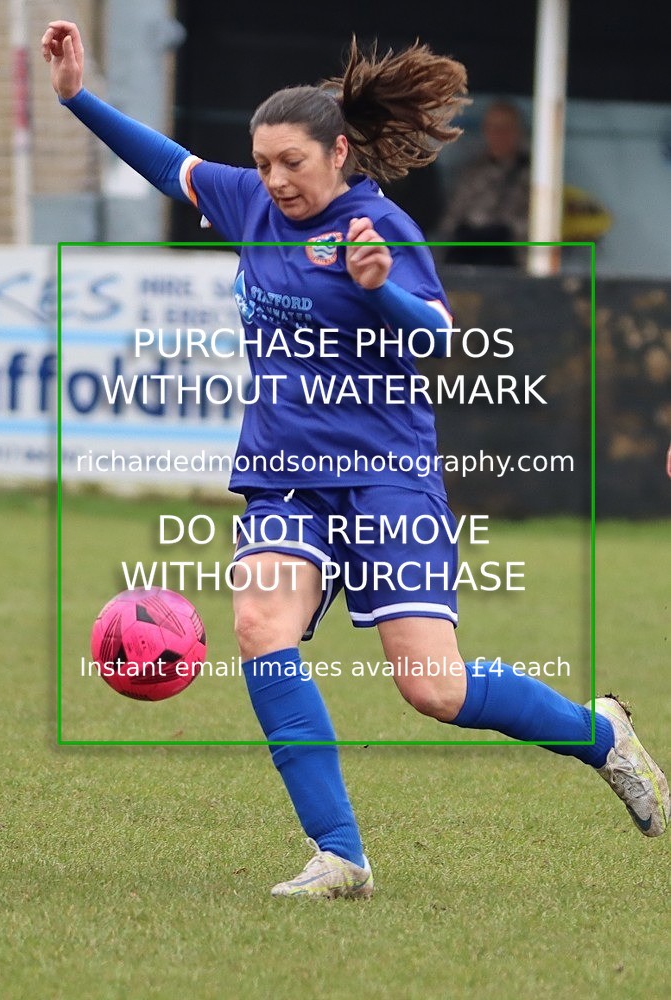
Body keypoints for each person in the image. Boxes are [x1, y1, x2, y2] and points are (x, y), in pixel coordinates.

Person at [42, 21, 669, 899]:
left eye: (290, 162)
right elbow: (170, 164)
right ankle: (339, 855)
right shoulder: (249, 203)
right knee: (261, 629)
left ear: (339, 152)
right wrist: (76, 98)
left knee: (433, 689)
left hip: (386, 476)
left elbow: (440, 338)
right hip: (285, 474)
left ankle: (598, 735)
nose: (272, 180)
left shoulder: (379, 227)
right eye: (261, 163)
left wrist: (381, 292)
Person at [440, 100, 530, 266]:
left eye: (505, 128)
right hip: (468, 260)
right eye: (492, 128)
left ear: (518, 132)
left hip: (511, 262)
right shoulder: (471, 172)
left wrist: (502, 231)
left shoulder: (533, 176)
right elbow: (450, 222)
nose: (498, 134)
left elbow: (534, 228)